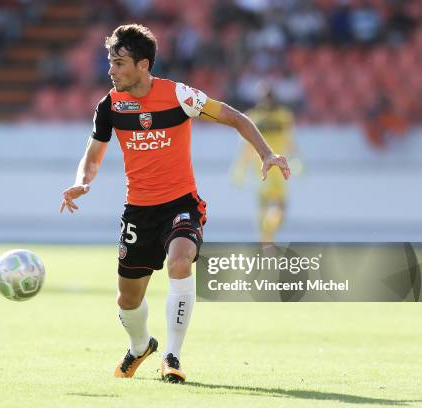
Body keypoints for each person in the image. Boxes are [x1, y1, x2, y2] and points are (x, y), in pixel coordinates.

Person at [59, 24, 290, 383]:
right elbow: (93, 156)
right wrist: (81, 183)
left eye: (119, 63)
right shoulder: (109, 106)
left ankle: (173, 357)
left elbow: (235, 117)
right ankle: (140, 346)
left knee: (180, 261)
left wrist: (267, 153)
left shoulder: (180, 96)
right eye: (110, 63)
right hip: (138, 211)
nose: (111, 70)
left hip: (181, 203)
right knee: (128, 300)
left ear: (143, 65)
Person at [231, 84, 296, 242]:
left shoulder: (275, 117)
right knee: (273, 207)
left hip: (270, 168)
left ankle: (266, 239)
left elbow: (289, 141)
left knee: (272, 207)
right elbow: (246, 147)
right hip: (267, 167)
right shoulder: (259, 117)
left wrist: (239, 169)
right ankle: (266, 242)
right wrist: (239, 169)